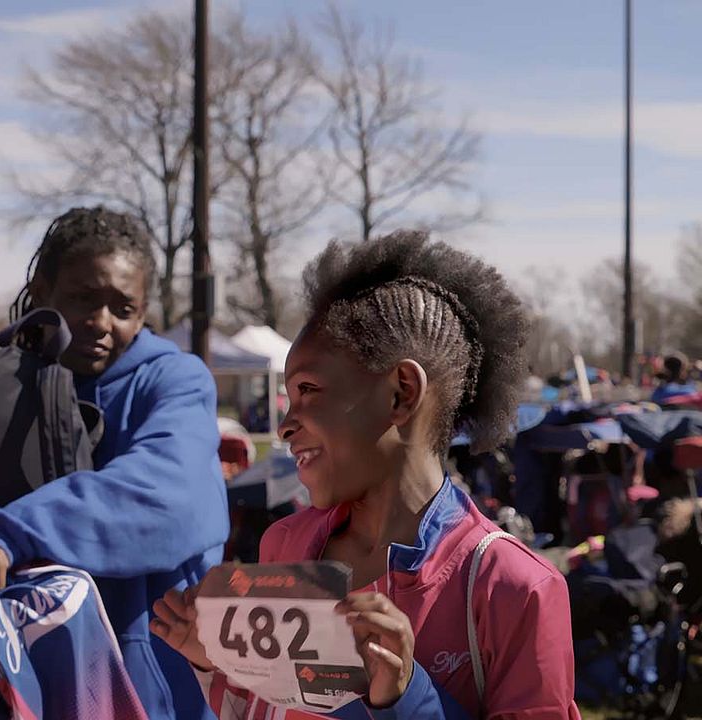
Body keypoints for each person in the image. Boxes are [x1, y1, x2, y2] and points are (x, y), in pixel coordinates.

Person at [151, 231, 580, 719]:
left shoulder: (513, 587)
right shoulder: (284, 545)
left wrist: (404, 696)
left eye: (308, 389)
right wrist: (218, 667)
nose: (287, 424)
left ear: (400, 393)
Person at [0, 207, 229, 719]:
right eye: (84, 299)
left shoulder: (175, 381)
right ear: (43, 289)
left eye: (124, 307)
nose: (101, 322)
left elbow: (168, 496)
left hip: (147, 695)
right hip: (15, 695)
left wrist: (11, 532)